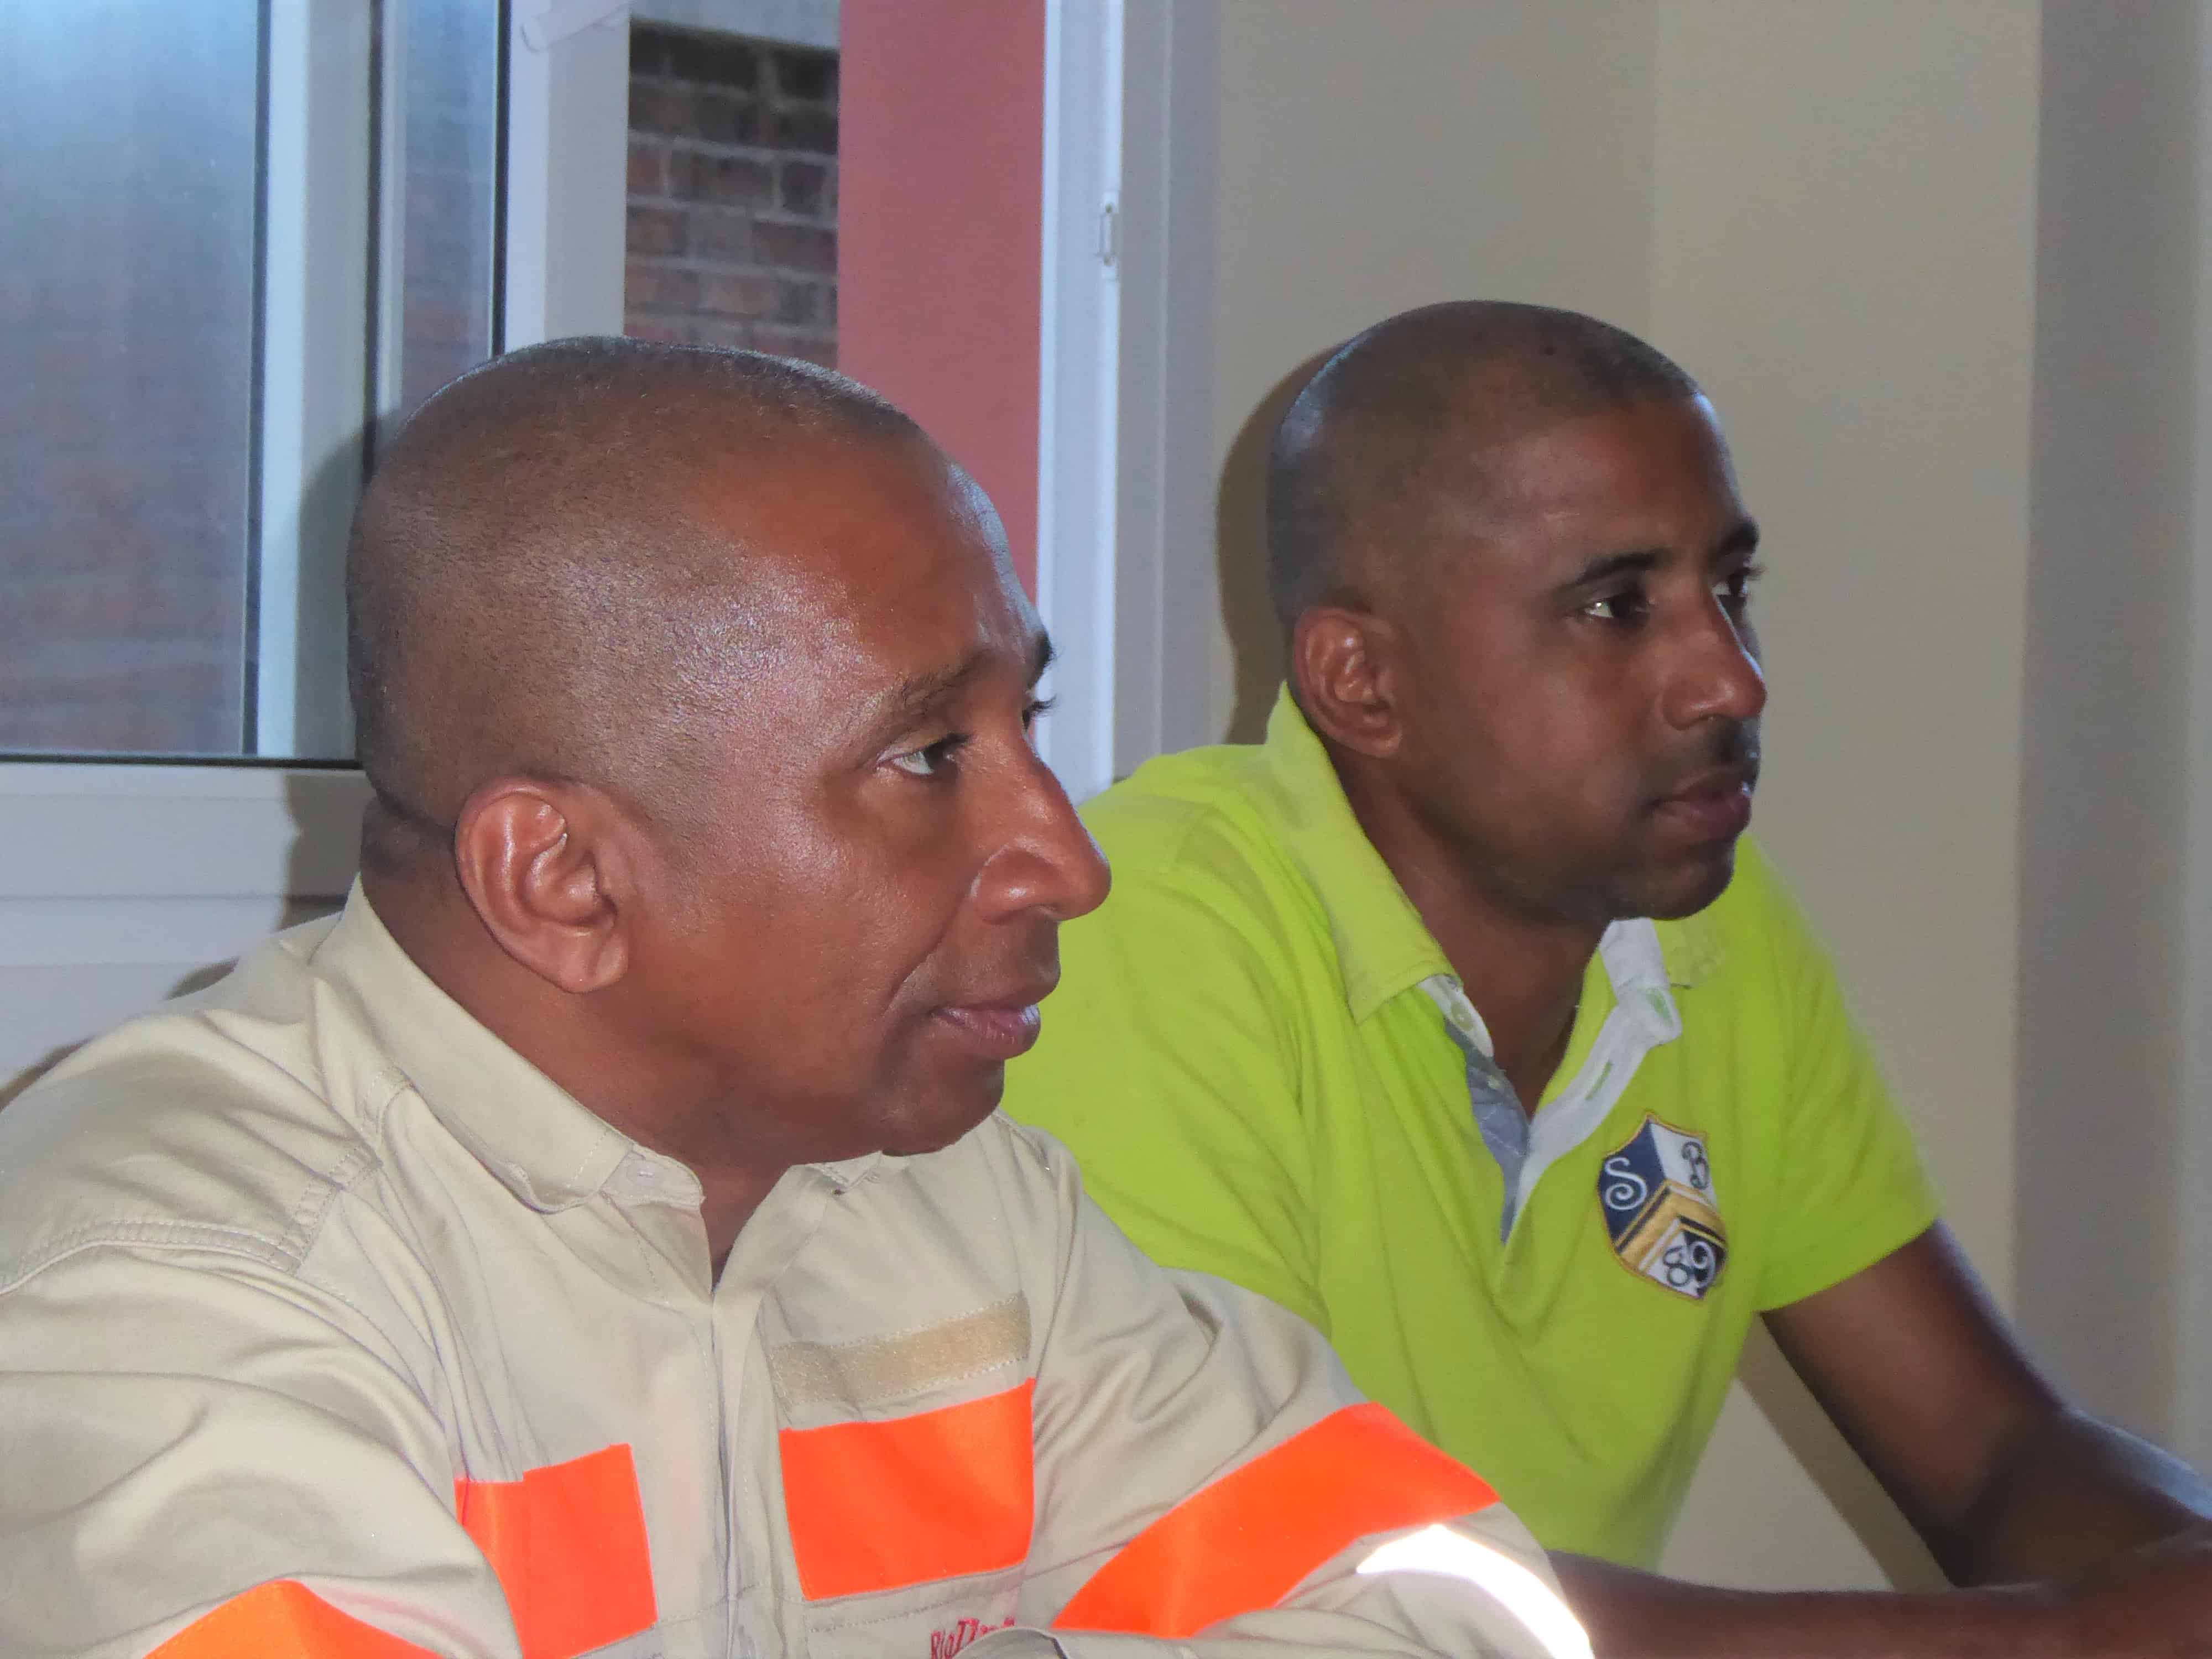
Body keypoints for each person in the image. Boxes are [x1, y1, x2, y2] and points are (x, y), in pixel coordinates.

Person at [0, 339, 1584, 1659]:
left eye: (1025, 718)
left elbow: (1466, 1600)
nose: (1066, 862)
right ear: (563, 877)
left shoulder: (961, 1205)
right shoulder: (155, 1285)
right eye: (927, 759)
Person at [1002, 300, 2212, 1655]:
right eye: (1614, 606)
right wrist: (2058, 1641)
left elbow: (1992, 1450)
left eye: (1731, 591)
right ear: (1360, 681)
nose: (1729, 682)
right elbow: (1292, 1577)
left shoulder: (1704, 931)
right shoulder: (1145, 928)